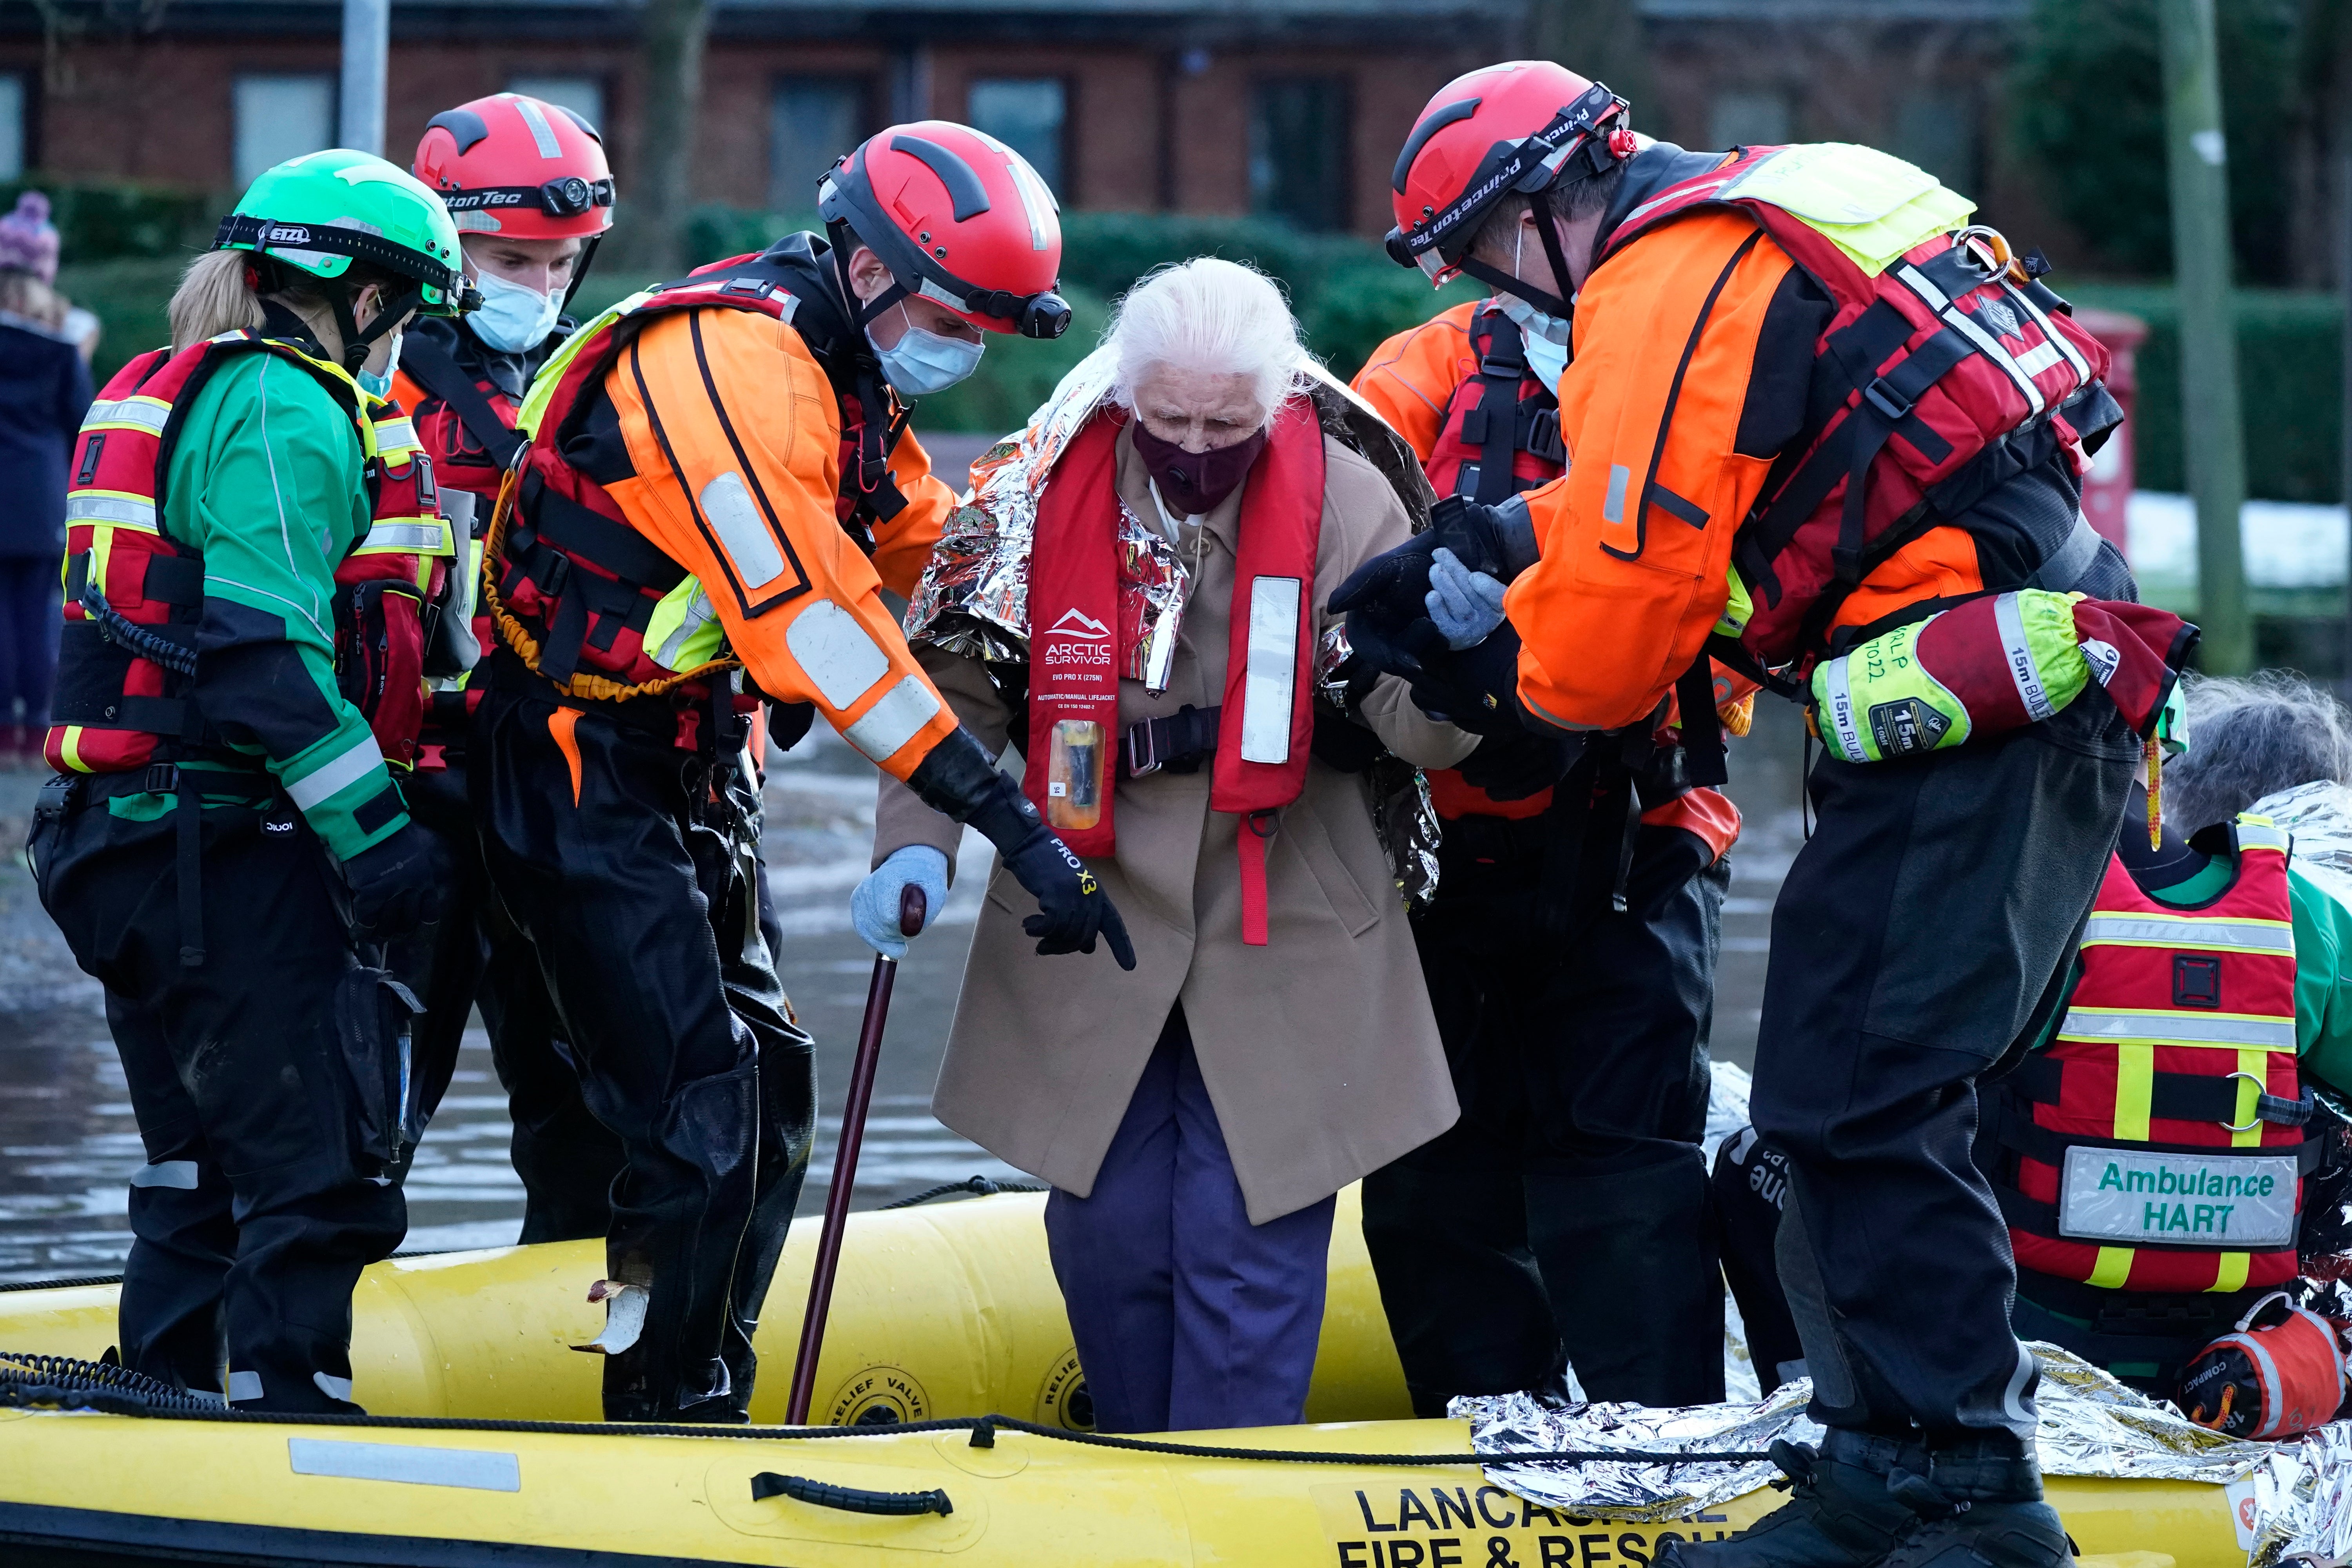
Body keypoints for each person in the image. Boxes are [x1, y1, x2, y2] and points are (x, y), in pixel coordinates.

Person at [1344, 61, 2145, 1568]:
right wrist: (1494, 538)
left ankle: (1961, 1489)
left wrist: (1474, 666)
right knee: (1857, 1094)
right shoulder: (1790, 203)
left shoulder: (1655, 279)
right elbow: (1726, 489)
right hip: (2038, 671)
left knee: (1858, 1100)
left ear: (1541, 206)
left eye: (1481, 250)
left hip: (1964, 706)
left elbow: (1617, 634)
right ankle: (1899, 1463)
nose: (1490, 284)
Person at [473, 120, 1129, 1423]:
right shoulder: (728, 359)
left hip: (693, 765)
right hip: (571, 760)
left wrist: (1080, 640)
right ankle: (655, 1405)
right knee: (697, 1111)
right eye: (952, 319)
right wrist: (1006, 822)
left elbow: (925, 555)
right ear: (871, 268)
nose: (963, 350)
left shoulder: (844, 367)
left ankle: (704, 1375)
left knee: (772, 1089)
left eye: (986, 332)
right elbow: (818, 622)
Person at [855, 258, 1473, 1434]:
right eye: (1169, 422)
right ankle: (1137, 1471)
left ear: (1278, 401)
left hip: (1289, 896)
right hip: (1084, 900)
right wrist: (914, 846)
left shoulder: (1349, 495)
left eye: (1226, 427)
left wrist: (1456, 666)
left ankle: (1229, 1485)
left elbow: (1416, 728)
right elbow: (950, 693)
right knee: (1109, 1228)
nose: (1194, 449)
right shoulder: (1038, 486)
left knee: (1248, 1238)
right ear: (1126, 395)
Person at [26, 151, 464, 1412]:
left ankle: (164, 1397)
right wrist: (381, 841)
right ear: (365, 298)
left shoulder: (177, 384)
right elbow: (265, 657)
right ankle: (293, 1411)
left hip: (122, 838)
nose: (404, 341)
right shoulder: (284, 405)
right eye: (407, 311)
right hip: (217, 842)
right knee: (319, 1164)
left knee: (197, 1164)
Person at [1350, 209, 1743, 1413]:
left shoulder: (1690, 382)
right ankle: (1473, 1439)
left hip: (1640, 845)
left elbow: (1739, 594)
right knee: (1431, 1179)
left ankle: (1664, 1444)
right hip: (1443, 855)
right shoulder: (1423, 372)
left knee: (1627, 1170)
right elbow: (1344, 539)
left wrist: (1553, 646)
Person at [388, 91, 627, 1242]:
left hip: (559, 784)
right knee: (368, 1108)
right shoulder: (372, 385)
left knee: (588, 1119)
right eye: (510, 260)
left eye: (561, 262)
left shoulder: (606, 383)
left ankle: (581, 1313)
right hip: (412, 794)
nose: (539, 286)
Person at [0, 192, 92, 769]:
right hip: (39, 496)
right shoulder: (60, 349)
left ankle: (0, 732)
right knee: (36, 615)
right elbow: (83, 423)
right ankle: (36, 729)